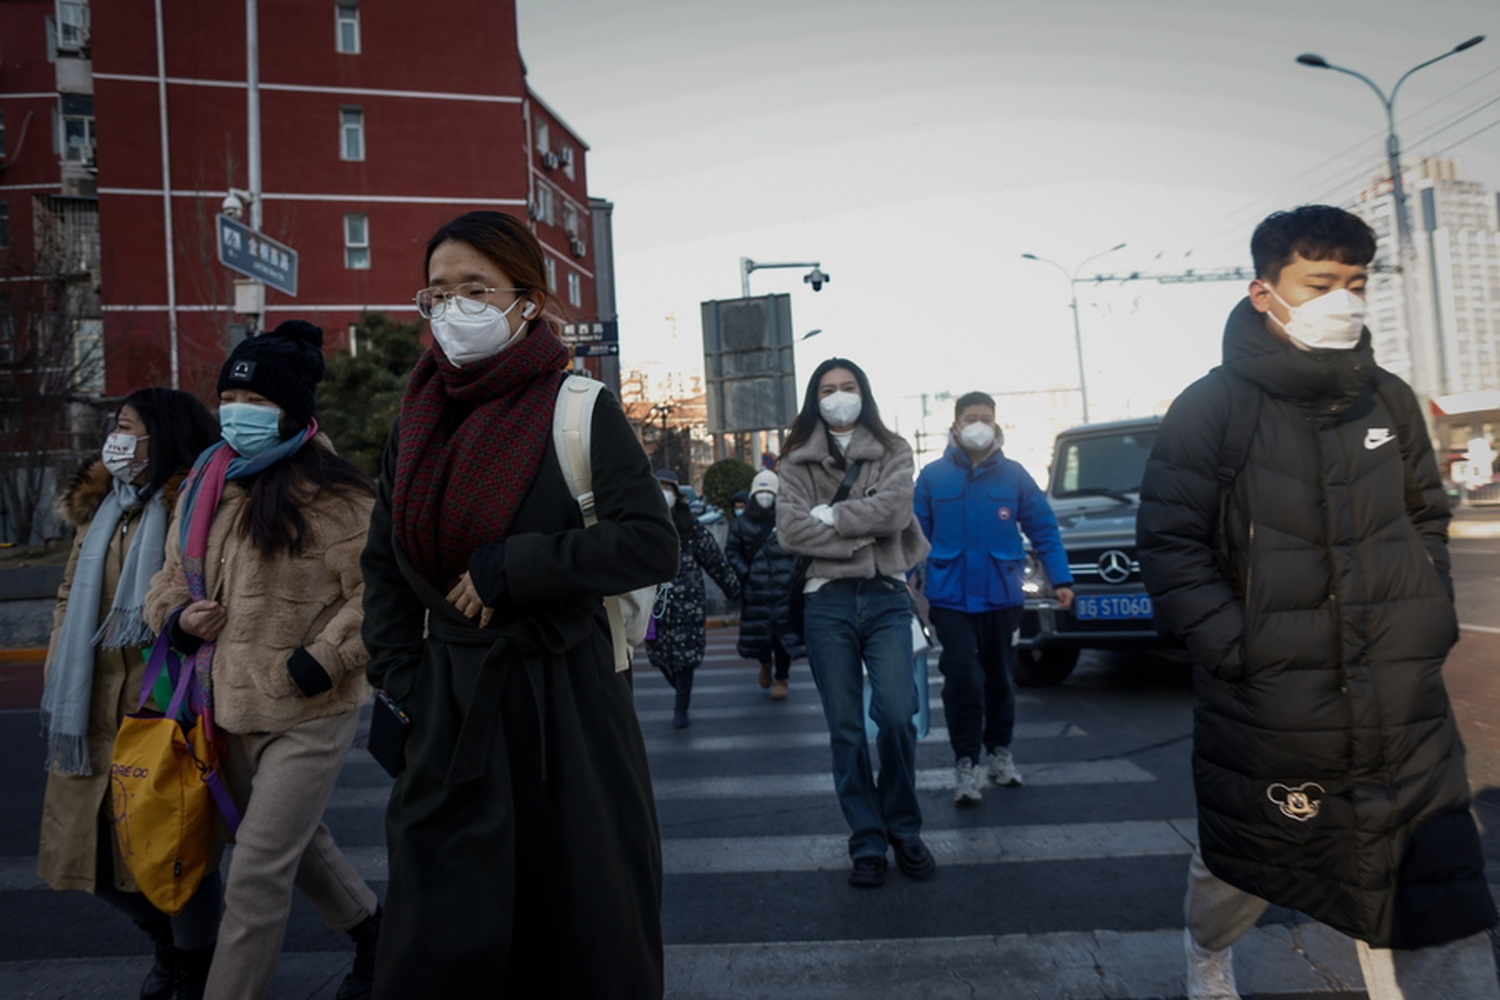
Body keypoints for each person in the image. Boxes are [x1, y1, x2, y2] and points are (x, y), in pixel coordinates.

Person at [1136, 205, 1499, 1000]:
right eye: (1323, 282)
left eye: (1358, 283)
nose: (1346, 299)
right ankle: (1207, 950)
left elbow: (1426, 515)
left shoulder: (1390, 400)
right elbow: (1170, 545)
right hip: (1275, 696)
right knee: (1247, 856)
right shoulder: (1212, 407)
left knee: (1435, 875)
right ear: (1266, 292)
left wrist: (1425, 610)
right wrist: (1241, 649)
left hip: (1400, 694)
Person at [359, 210, 678, 998]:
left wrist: (519, 565)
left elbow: (649, 543)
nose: (454, 308)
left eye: (476, 288)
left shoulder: (578, 407)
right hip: (451, 706)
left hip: (565, 703)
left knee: (581, 928)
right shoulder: (416, 421)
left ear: (527, 301)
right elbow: (384, 566)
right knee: (439, 935)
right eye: (438, 293)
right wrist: (407, 683)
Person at [145, 321, 383, 1000]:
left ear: (293, 412)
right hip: (221, 702)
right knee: (293, 844)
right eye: (229, 397)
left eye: (253, 402)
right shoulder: (204, 482)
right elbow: (166, 578)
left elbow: (378, 590)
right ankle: (373, 930)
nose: (235, 413)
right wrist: (177, 617)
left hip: (307, 707)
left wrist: (325, 658)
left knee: (255, 871)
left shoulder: (340, 495)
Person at [39, 389, 222, 1000]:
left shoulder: (194, 506)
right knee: (88, 854)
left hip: (162, 702)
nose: (114, 440)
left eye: (127, 428)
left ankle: (193, 963)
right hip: (89, 702)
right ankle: (165, 943)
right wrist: (59, 661)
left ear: (163, 437)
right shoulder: (104, 509)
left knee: (175, 847)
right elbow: (69, 591)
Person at [776, 358, 933, 888]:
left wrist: (833, 519)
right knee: (845, 729)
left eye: (847, 387)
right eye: (828, 389)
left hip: (887, 596)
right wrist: (863, 521)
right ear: (813, 398)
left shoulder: (893, 450)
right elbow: (791, 532)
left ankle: (904, 827)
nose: (838, 396)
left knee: (895, 716)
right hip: (826, 603)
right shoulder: (795, 461)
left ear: (863, 393)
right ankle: (866, 839)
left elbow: (895, 513)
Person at [913, 392, 1074, 805]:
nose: (979, 424)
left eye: (985, 417)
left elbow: (1044, 528)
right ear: (956, 426)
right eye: (971, 418)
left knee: (1001, 677)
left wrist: (1060, 578)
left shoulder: (1015, 476)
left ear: (997, 424)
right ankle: (965, 762)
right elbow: (914, 538)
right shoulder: (931, 478)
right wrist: (907, 583)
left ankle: (1000, 753)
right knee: (963, 676)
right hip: (949, 598)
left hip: (1003, 596)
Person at [647, 469, 743, 728]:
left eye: (668, 488)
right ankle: (679, 691)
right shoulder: (644, 526)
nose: (664, 493)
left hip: (687, 605)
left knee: (685, 659)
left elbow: (716, 561)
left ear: (677, 494)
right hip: (654, 606)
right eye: (659, 488)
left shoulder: (690, 527)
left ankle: (681, 707)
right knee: (660, 658)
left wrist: (735, 591)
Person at [724, 469, 805, 700]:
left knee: (783, 638)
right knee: (760, 637)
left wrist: (794, 575)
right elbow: (732, 551)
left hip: (784, 592)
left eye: (770, 492)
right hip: (756, 591)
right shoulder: (740, 525)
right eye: (761, 492)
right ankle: (765, 663)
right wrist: (746, 573)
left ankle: (781, 678)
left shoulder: (786, 521)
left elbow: (799, 549)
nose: (765, 497)